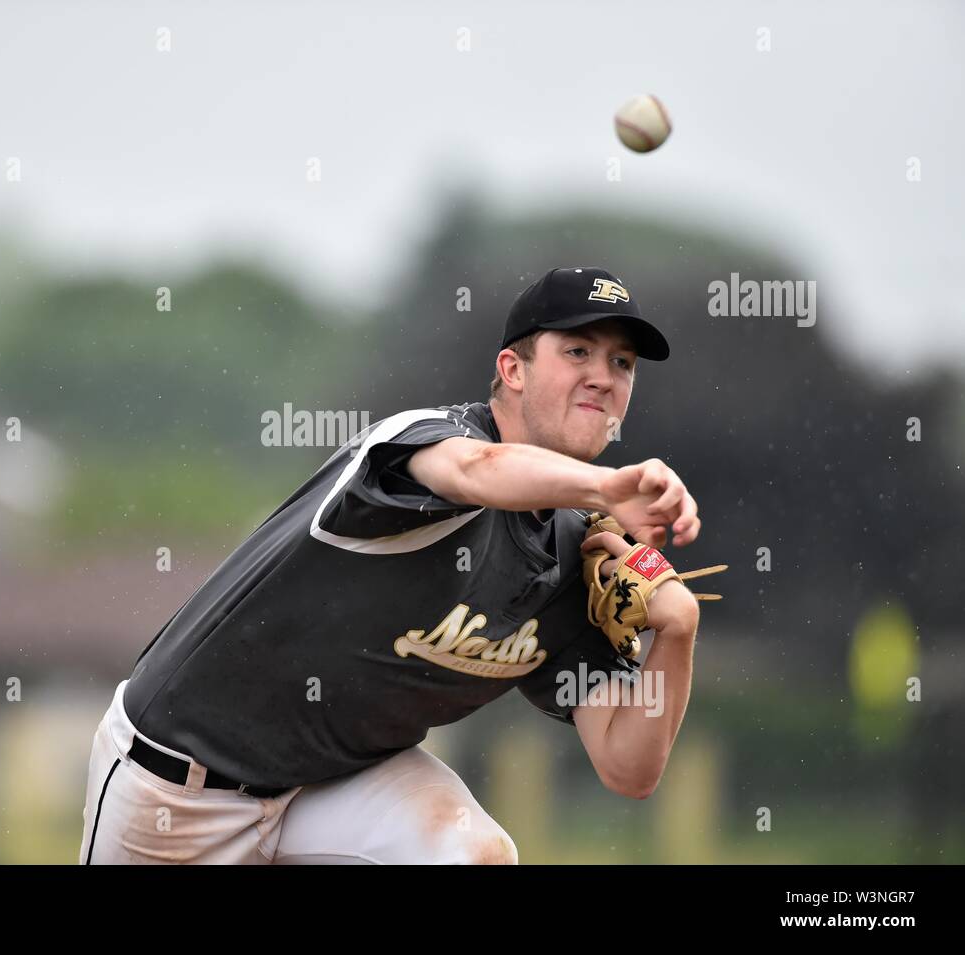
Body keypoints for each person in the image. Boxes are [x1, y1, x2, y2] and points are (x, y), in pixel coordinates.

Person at [80, 266, 704, 864]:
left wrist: (676, 629)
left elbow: (628, 765)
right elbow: (474, 472)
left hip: (339, 787)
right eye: (577, 351)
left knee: (475, 856)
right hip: (179, 786)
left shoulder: (574, 556)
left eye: (621, 362)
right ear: (512, 368)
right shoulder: (424, 440)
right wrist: (603, 487)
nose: (602, 375)